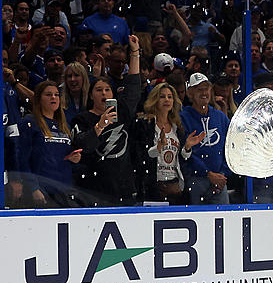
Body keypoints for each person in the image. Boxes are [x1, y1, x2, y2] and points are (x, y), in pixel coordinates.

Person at [69, 35, 143, 206]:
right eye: (99, 90)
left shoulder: (122, 112)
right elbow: (83, 146)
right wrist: (100, 125)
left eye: (107, 90)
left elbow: (133, 86)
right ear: (91, 94)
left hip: (124, 189)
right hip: (94, 190)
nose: (104, 94)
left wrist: (135, 52)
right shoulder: (82, 119)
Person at [131, 82, 203, 203]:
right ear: (155, 99)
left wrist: (187, 148)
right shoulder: (144, 125)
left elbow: (182, 158)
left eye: (170, 97)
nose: (167, 100)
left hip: (174, 185)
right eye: (162, 96)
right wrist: (158, 148)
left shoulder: (177, 127)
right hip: (152, 185)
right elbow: (140, 156)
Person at [17, 80, 83, 205]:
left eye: (56, 94)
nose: (53, 97)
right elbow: (23, 159)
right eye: (48, 94)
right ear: (39, 99)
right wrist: (33, 188)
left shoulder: (64, 126)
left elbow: (64, 157)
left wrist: (75, 159)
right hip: (41, 190)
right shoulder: (29, 122)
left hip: (64, 190)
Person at [180, 72, 233, 204]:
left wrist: (222, 175)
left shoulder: (220, 117)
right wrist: (208, 173)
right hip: (196, 180)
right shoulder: (183, 118)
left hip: (220, 181)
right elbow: (185, 152)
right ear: (190, 93)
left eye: (206, 89)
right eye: (199, 89)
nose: (204, 93)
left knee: (223, 219)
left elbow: (230, 147)